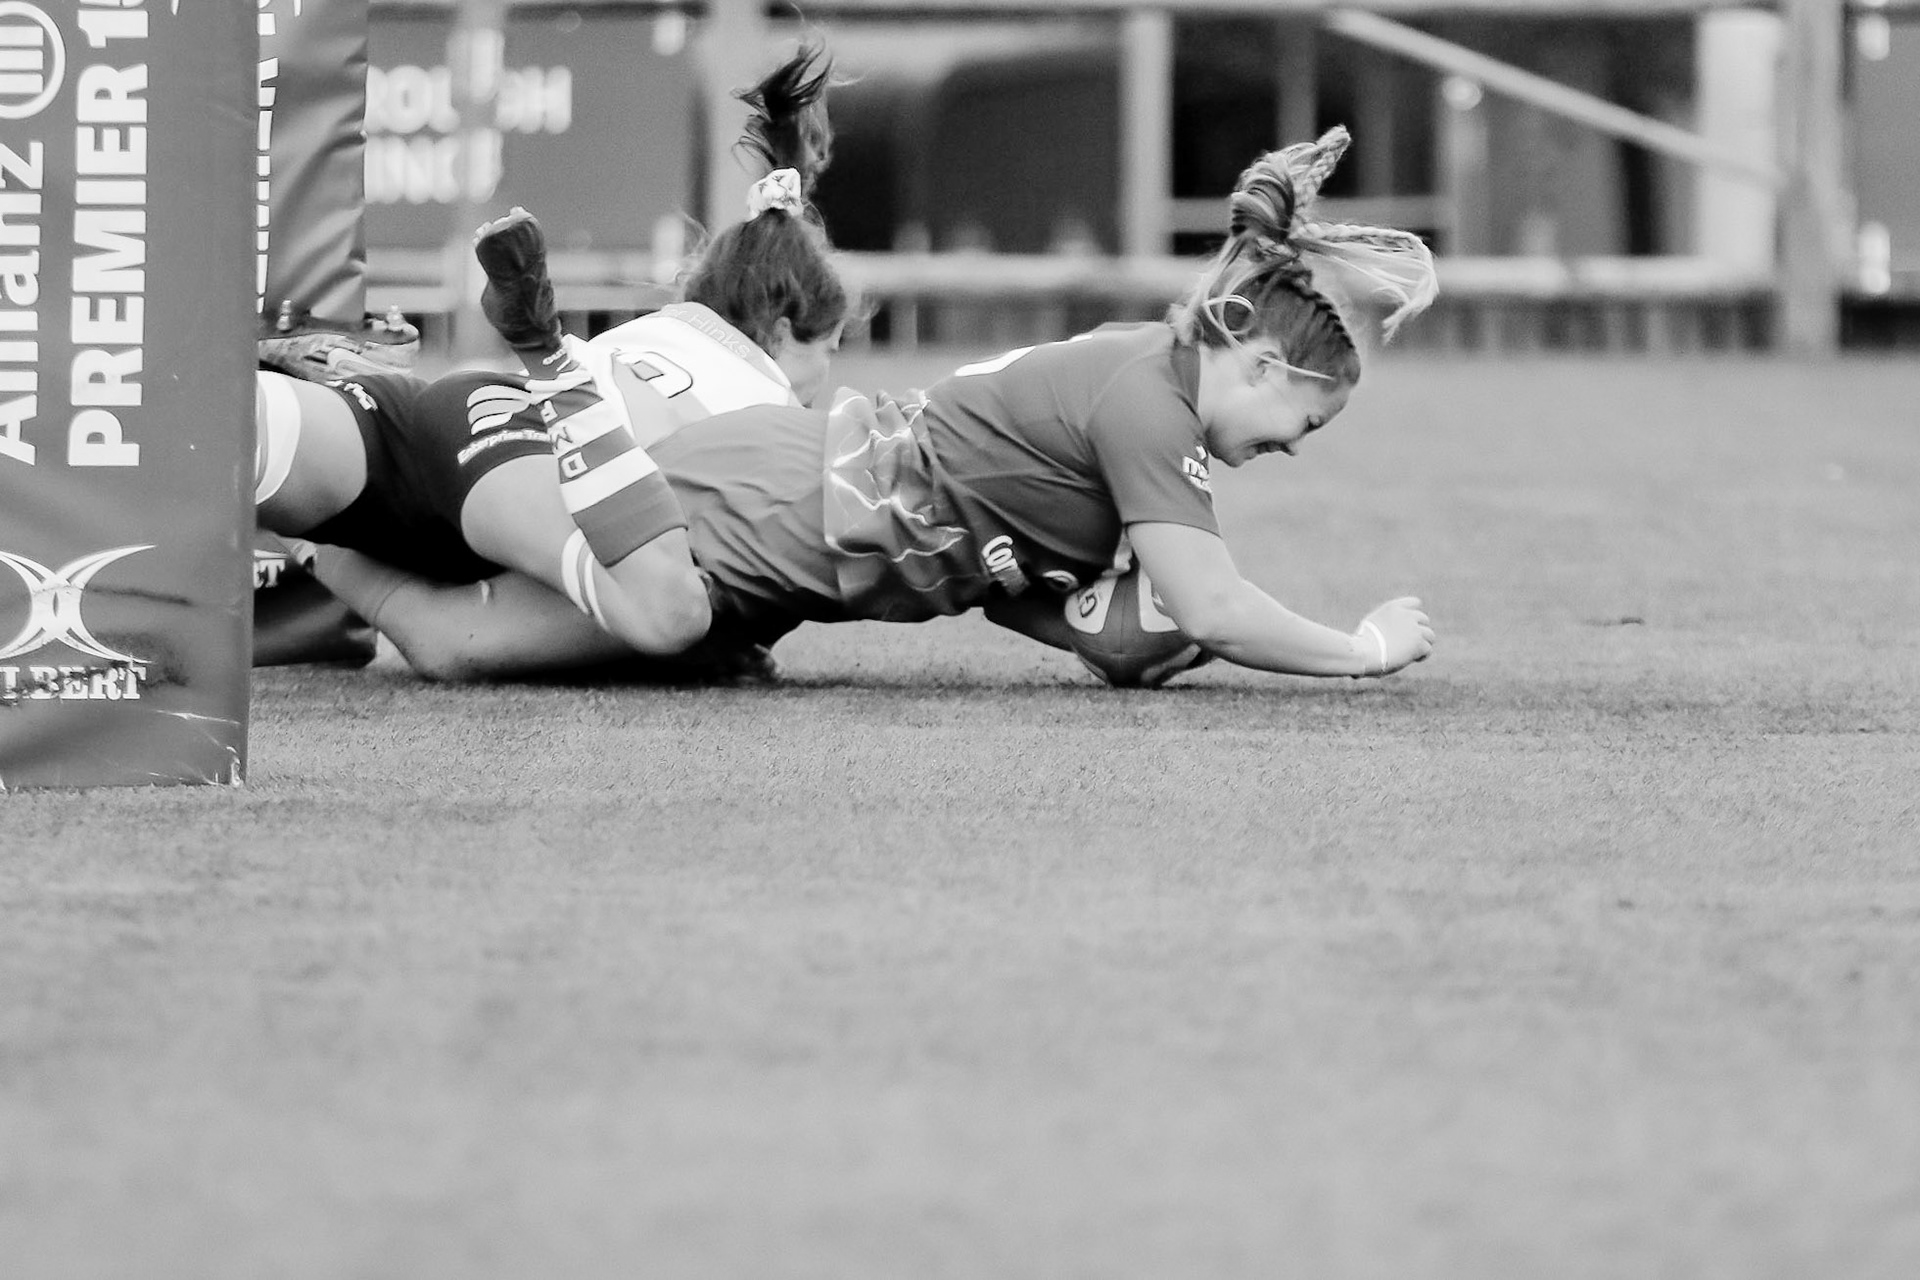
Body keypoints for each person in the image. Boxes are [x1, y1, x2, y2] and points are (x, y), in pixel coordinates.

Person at [307, 125, 1441, 685]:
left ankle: (298, 530)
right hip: (756, 510)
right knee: (491, 624)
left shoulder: (1139, 374)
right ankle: (320, 453)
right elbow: (1216, 603)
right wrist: (1362, 649)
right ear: (1259, 364)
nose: (1293, 449)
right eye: (1307, 422)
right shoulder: (1150, 402)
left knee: (463, 627)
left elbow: (996, 571)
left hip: (776, 527)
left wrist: (1097, 636)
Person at [251, 44, 849, 673]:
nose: (827, 380)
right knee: (461, 636)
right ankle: (310, 541)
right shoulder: (774, 413)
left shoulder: (668, 326)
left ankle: (263, 396)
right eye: (831, 348)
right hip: (523, 465)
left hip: (454, 406)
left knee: (200, 433)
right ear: (781, 332)